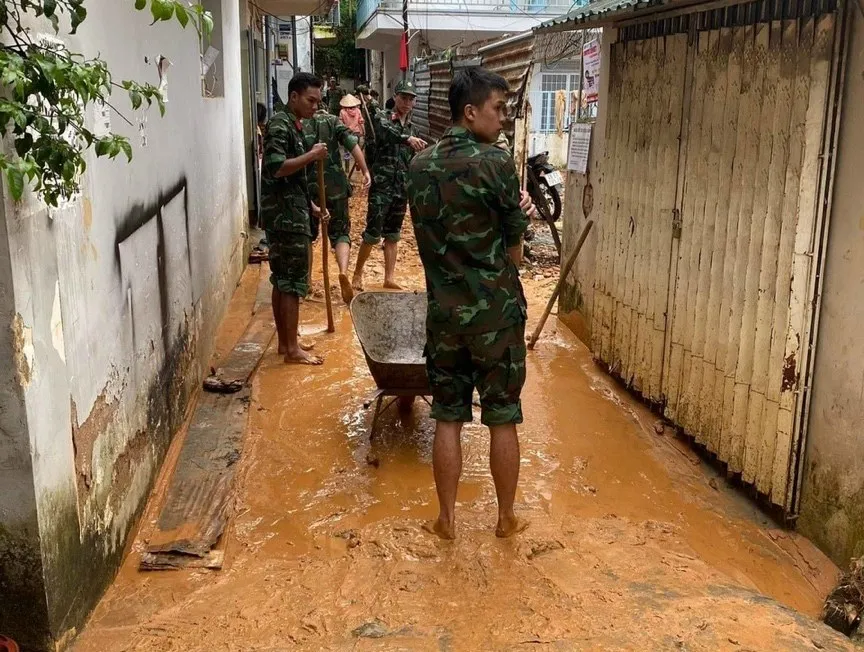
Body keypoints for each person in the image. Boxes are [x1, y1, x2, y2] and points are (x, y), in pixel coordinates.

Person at [406, 66, 537, 541]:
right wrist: (517, 216)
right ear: (469, 112)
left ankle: (446, 520)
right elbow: (516, 255)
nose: (503, 118)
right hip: (495, 317)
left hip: (444, 317)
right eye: (498, 109)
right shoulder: (496, 163)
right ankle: (505, 519)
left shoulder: (418, 167)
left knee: (448, 415)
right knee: (502, 415)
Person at [260, 72, 329, 366]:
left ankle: (285, 343)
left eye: (318, 101)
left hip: (291, 210)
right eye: (311, 100)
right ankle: (292, 350)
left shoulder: (293, 124)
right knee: (292, 282)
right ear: (294, 97)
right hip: (285, 219)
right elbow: (275, 167)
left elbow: (291, 179)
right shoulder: (280, 124)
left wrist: (310, 205)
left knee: (282, 280)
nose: (315, 106)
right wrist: (311, 156)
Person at [352, 79, 427, 291]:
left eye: (410, 98)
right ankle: (357, 274)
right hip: (382, 186)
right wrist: (407, 139)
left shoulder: (414, 130)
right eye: (403, 97)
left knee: (393, 234)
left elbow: (413, 161)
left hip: (401, 187)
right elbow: (385, 133)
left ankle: (389, 277)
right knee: (372, 232)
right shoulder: (382, 119)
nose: (406, 102)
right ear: (395, 97)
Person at [304, 106, 371, 305]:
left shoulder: (301, 123)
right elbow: (353, 145)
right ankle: (343, 272)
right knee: (341, 233)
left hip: (309, 186)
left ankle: (306, 281)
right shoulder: (334, 122)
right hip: (336, 188)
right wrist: (365, 170)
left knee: (308, 235)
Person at [338, 94, 365, 173]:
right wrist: (363, 131)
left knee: (347, 152)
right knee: (357, 151)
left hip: (347, 133)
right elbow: (361, 121)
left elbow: (340, 123)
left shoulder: (342, 112)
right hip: (357, 132)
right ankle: (357, 164)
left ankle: (347, 168)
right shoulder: (358, 111)